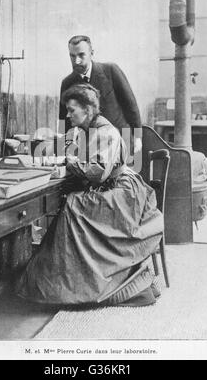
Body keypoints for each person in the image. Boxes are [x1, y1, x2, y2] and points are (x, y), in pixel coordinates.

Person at [16, 84, 163, 307]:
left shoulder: (108, 133)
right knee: (72, 202)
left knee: (74, 206)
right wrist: (50, 152)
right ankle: (65, 278)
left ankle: (79, 284)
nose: (67, 114)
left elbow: (97, 173)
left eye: (72, 110)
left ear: (88, 110)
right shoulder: (79, 131)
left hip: (122, 191)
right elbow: (62, 147)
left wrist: (68, 162)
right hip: (107, 188)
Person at [59, 35, 142, 155]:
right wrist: (64, 145)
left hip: (121, 142)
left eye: (81, 55)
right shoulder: (67, 83)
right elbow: (64, 119)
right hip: (90, 146)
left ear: (91, 53)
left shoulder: (110, 70)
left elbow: (130, 105)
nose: (76, 61)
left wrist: (138, 138)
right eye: (72, 56)